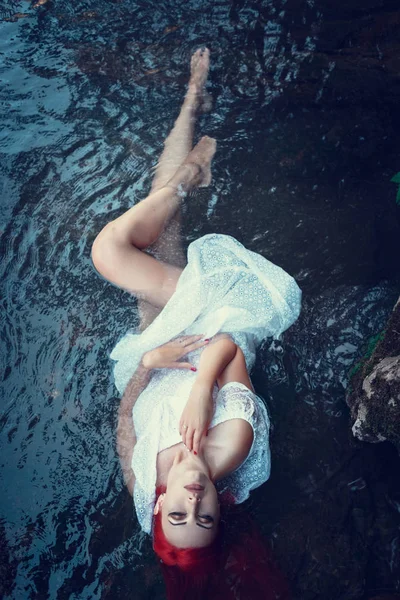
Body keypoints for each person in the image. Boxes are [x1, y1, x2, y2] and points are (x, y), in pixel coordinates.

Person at [91, 48, 301, 599]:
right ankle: (188, 156)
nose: (191, 498)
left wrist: (150, 363)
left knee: (161, 234)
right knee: (110, 251)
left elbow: (125, 425)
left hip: (158, 348)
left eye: (178, 512)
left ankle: (191, 110)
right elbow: (228, 346)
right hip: (216, 319)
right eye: (204, 516)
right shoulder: (229, 449)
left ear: (159, 507)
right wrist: (201, 391)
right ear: (216, 511)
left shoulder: (146, 485)